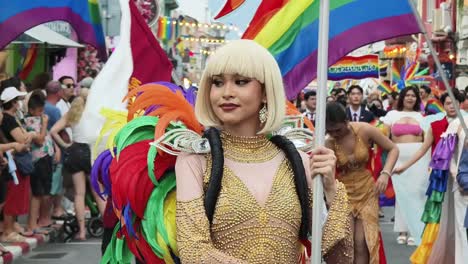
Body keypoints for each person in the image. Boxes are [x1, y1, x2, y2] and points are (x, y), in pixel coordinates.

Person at [326, 102, 399, 264]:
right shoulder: (329, 142)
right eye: (330, 131)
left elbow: (393, 149)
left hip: (367, 190)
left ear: (346, 121)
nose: (335, 134)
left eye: (338, 129)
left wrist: (385, 174)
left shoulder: (365, 129)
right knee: (347, 243)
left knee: (362, 242)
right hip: (343, 193)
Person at [51, 88, 105, 240]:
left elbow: (53, 131)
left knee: (79, 194)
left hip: (75, 151)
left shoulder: (72, 113)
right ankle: (110, 228)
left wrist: (65, 146)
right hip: (92, 152)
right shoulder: (97, 113)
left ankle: (81, 232)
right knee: (98, 193)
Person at [381, 86, 430, 246]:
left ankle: (415, 230)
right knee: (402, 194)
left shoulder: (422, 116)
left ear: (417, 99)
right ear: (402, 97)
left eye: (413, 96)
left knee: (417, 193)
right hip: (397, 156)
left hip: (418, 158)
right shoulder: (391, 115)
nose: (410, 98)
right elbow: (383, 135)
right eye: (407, 95)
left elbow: (427, 140)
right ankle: (402, 231)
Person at [0, 86, 34, 242]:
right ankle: (7, 229)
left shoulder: (13, 118)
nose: (20, 103)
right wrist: (31, 135)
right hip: (12, 163)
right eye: (18, 101)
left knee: (15, 195)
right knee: (11, 196)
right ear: (13, 103)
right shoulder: (8, 119)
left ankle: (11, 226)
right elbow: (23, 140)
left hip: (14, 161)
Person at [24, 90, 60, 234]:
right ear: (31, 110)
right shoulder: (30, 121)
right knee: (37, 193)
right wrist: (44, 123)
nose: (41, 113)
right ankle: (32, 224)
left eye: (42, 110)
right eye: (39, 111)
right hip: (38, 159)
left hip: (46, 158)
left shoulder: (38, 119)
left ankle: (36, 222)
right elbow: (39, 140)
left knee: (43, 192)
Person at [44, 81, 67, 219]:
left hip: (44, 150)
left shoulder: (44, 107)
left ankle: (48, 213)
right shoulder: (54, 110)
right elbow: (60, 131)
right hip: (55, 150)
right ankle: (48, 215)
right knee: (54, 185)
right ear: (58, 92)